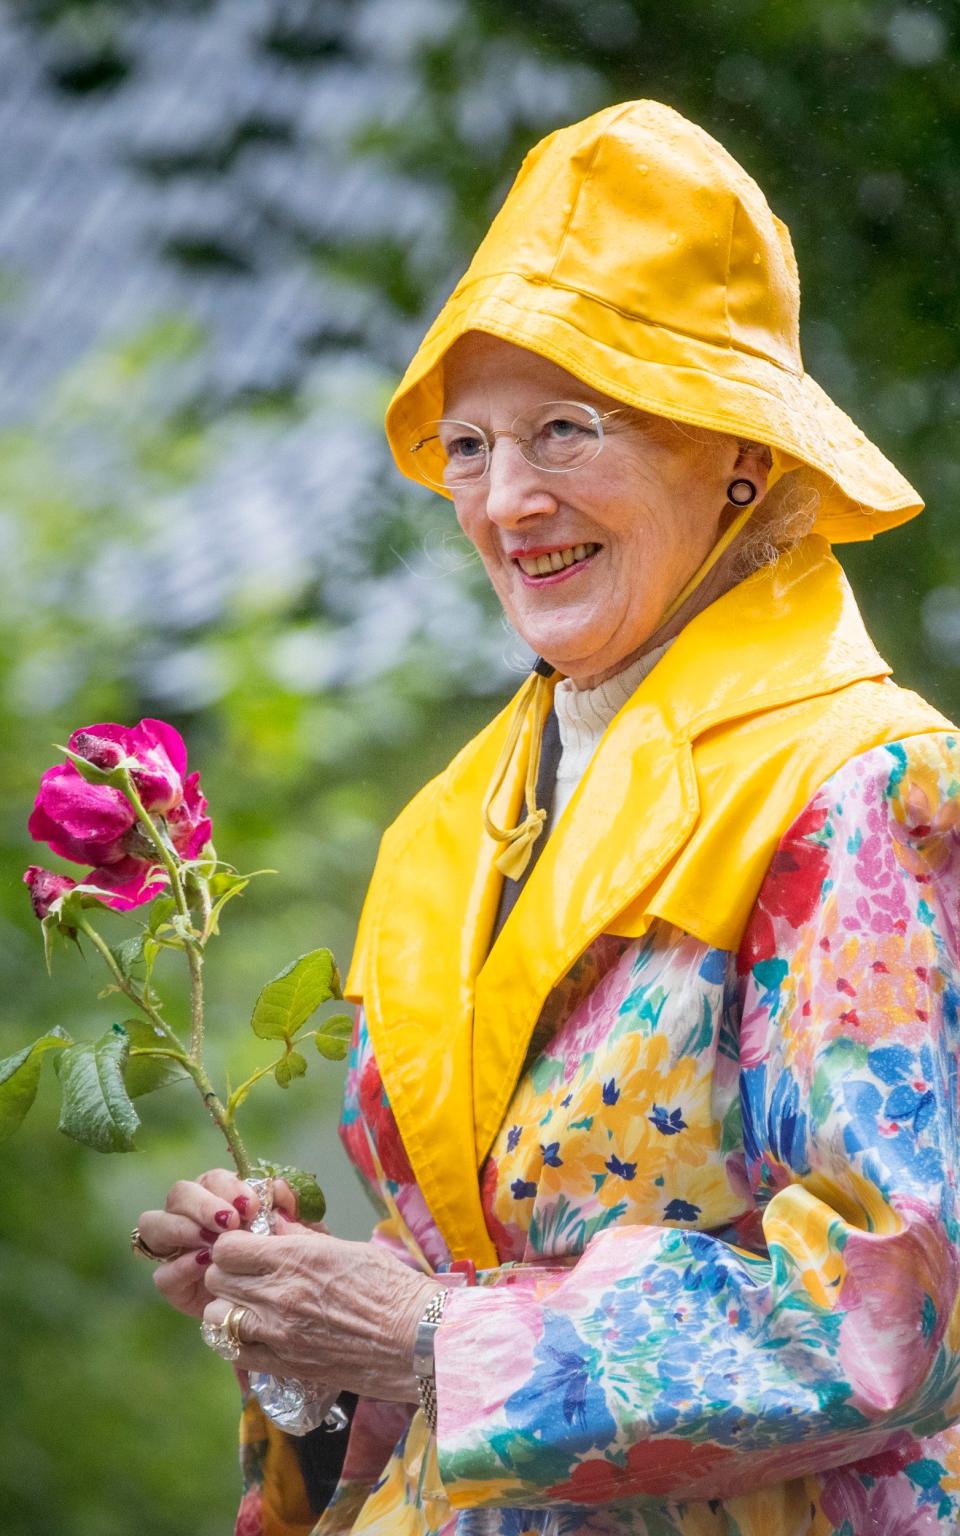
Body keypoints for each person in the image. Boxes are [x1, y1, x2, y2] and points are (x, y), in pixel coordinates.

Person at [133, 100, 960, 1536]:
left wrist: (423, 1334)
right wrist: (305, 1337)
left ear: (737, 456)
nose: (509, 500)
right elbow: (440, 1306)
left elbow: (906, 1311)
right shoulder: (447, 833)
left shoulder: (862, 792)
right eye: (467, 446)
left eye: (567, 430)